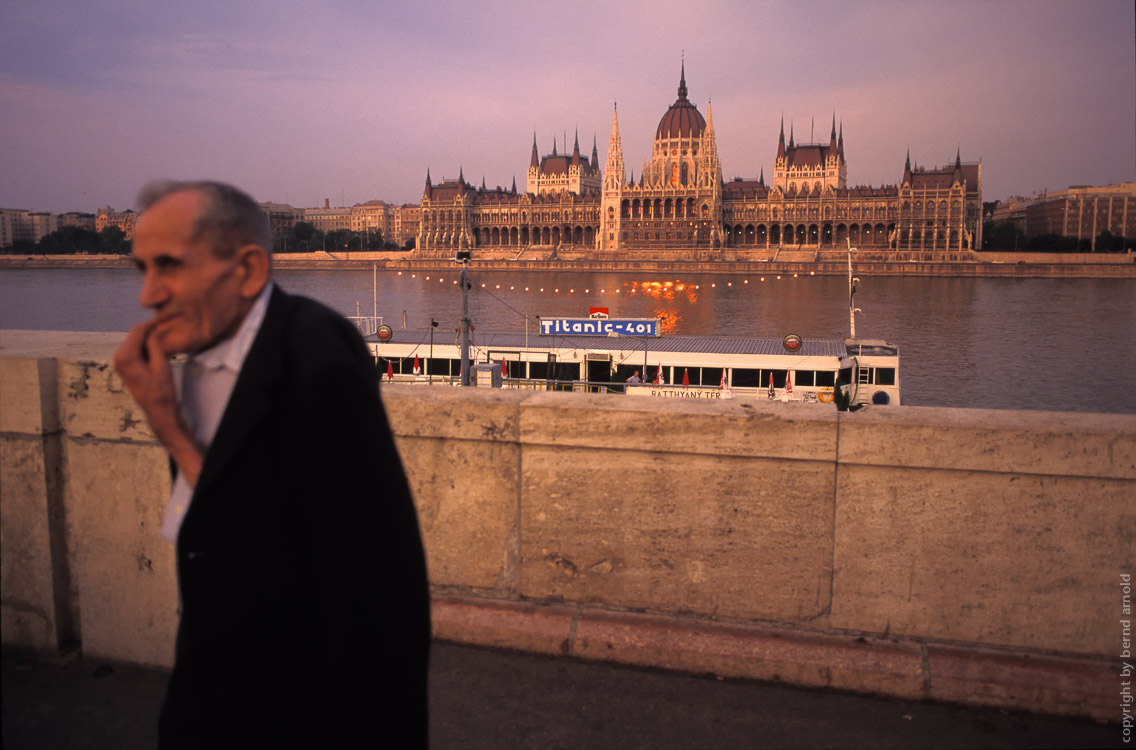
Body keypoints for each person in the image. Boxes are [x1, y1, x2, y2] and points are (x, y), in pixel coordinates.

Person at [114, 181, 430, 748]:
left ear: (249, 270)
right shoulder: (200, 347)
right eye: (142, 268)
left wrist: (168, 427)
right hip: (210, 691)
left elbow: (373, 591)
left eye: (169, 266)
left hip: (298, 709)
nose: (148, 295)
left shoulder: (318, 361)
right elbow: (210, 550)